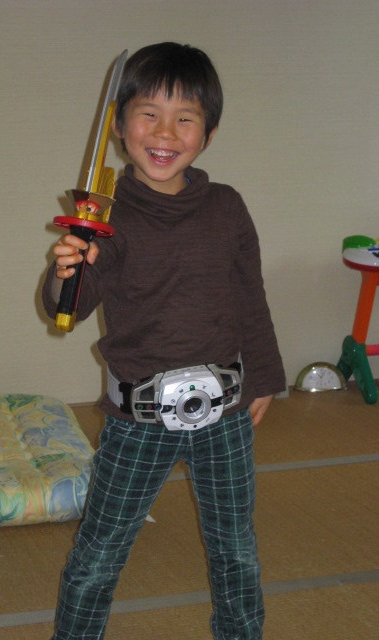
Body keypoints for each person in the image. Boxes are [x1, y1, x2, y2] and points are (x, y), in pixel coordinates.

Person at [42, 42, 285, 640]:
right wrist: (66, 270)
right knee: (99, 554)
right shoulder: (105, 216)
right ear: (120, 125)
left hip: (225, 414)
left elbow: (250, 297)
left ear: (209, 133)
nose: (165, 133)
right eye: (148, 113)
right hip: (137, 420)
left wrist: (266, 376)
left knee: (236, 550)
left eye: (185, 118)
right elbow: (69, 304)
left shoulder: (227, 207)